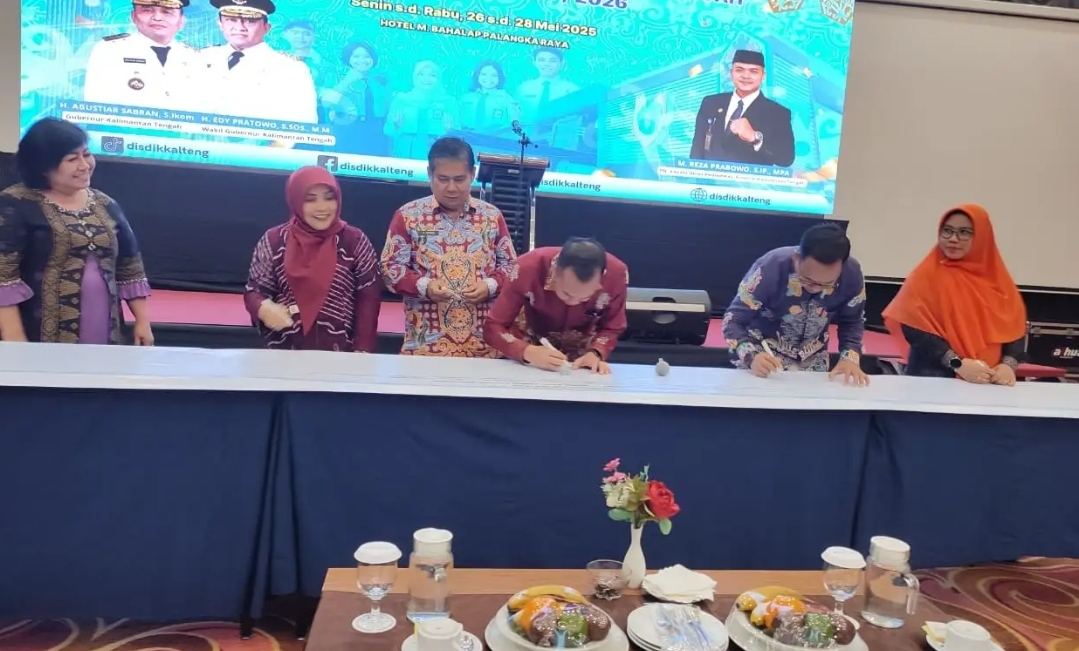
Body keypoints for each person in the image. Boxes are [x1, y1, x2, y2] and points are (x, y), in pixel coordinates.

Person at [0, 118, 153, 344]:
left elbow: (130, 265)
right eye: (72, 159)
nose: (85, 165)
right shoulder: (15, 203)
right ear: (43, 166)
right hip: (37, 333)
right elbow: (4, 276)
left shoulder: (105, 203)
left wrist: (142, 321)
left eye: (87, 154)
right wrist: (13, 337)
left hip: (105, 328)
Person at [380, 137, 517, 357]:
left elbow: (512, 267)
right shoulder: (408, 216)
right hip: (426, 349)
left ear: (472, 174)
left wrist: (490, 285)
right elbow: (390, 269)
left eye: (459, 179)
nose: (451, 188)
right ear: (429, 174)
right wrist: (425, 286)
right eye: (443, 179)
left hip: (485, 349)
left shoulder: (492, 217)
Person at [882, 205, 1027, 385]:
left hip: (989, 384)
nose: (953, 239)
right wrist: (958, 364)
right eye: (947, 231)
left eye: (964, 232)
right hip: (933, 383)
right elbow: (915, 329)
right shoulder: (925, 277)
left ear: (982, 237)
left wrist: (1008, 366)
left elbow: (1014, 328)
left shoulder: (1000, 282)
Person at [244, 165, 381, 352]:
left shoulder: (354, 241)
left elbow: (368, 299)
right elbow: (254, 291)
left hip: (342, 357)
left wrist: (362, 350)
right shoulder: (274, 240)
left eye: (329, 198)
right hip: (283, 355)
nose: (322, 207)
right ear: (295, 200)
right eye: (310, 199)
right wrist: (264, 309)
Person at [722, 223, 867, 385]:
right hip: (764, 357)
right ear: (796, 258)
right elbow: (732, 320)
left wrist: (849, 358)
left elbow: (852, 321)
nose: (815, 288)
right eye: (807, 280)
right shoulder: (770, 267)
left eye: (827, 284)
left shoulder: (851, 274)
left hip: (813, 361)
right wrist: (751, 355)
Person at [484, 237, 628, 375]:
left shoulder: (617, 274)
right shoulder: (527, 267)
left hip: (581, 362)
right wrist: (525, 351)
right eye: (566, 293)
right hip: (532, 351)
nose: (573, 302)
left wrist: (595, 353)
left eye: (585, 298)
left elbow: (613, 327)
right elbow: (494, 325)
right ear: (554, 271)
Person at [199, 0, 318, 123]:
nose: (239, 27)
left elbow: (303, 124)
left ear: (266, 27)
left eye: (249, 21)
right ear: (220, 23)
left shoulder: (291, 69)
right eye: (231, 20)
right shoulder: (199, 59)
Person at [83, 0, 203, 111]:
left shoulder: (195, 57)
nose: (157, 18)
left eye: (167, 12)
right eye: (147, 10)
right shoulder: (110, 50)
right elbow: (96, 106)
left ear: (181, 21)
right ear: (133, 16)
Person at [690, 49, 795, 167]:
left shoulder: (777, 113)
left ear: (763, 76)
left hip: (750, 179)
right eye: (739, 70)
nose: (745, 76)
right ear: (731, 73)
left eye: (753, 71)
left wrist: (754, 137)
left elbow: (786, 159)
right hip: (710, 178)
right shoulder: (711, 103)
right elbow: (696, 150)